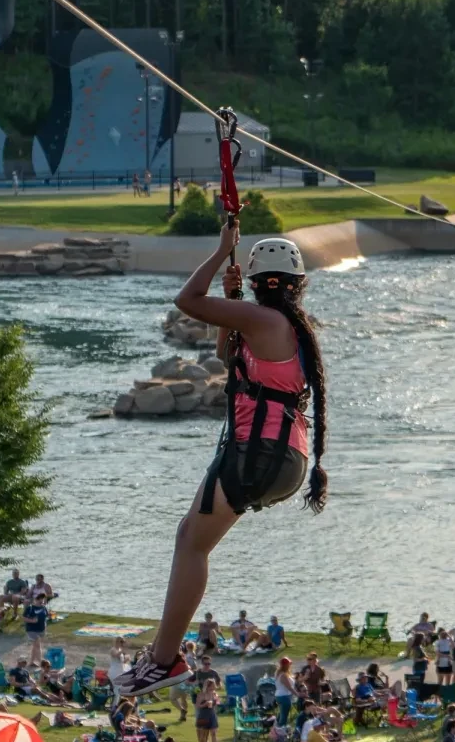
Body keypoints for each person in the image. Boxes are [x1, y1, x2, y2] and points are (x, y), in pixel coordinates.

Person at [117, 222, 330, 698]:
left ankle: (164, 661)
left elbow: (186, 300)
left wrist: (219, 252)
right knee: (189, 538)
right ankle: (161, 657)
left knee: (191, 543)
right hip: (281, 457)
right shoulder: (288, 327)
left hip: (258, 451)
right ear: (298, 285)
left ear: (258, 284)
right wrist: (230, 303)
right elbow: (222, 354)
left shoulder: (265, 321)